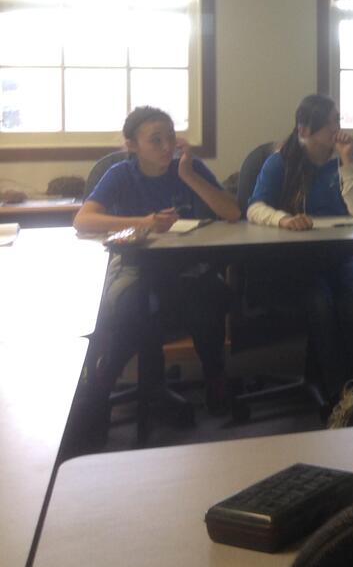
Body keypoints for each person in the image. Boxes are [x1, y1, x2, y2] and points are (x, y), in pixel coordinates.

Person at [74, 106, 240, 421]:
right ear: (132, 145)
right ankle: (105, 389)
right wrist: (145, 222)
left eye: (171, 138)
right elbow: (83, 220)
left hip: (187, 271)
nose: (167, 147)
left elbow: (232, 213)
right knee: (133, 308)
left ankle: (214, 380)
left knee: (207, 302)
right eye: (156, 140)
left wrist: (190, 177)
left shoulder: (190, 168)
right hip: (136, 270)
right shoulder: (121, 174)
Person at [246, 94, 353, 426]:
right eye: (330, 122)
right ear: (305, 129)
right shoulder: (281, 162)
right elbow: (255, 207)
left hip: (343, 255)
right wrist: (283, 220)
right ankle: (339, 399)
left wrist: (346, 162)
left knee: (350, 302)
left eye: (337, 119)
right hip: (300, 260)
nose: (337, 127)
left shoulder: (350, 159)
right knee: (319, 301)